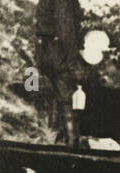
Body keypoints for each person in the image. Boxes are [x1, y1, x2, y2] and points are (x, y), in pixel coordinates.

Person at [34, 0, 85, 147]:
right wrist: (73, 61)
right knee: (67, 99)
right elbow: (66, 29)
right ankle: (72, 143)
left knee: (42, 95)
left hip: (41, 51)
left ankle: (50, 140)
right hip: (57, 53)